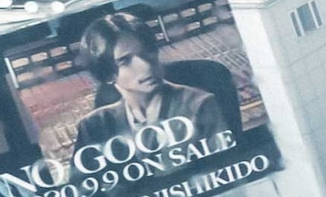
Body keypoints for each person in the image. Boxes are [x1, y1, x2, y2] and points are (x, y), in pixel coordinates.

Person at [49, 11, 244, 170]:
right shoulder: (93, 126)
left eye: (147, 53)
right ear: (108, 74)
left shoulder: (200, 104)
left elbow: (226, 172)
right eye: (125, 61)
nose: (145, 66)